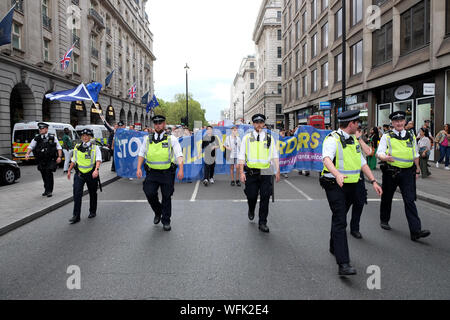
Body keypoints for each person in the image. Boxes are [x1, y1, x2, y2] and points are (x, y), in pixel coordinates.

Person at [320, 110, 382, 276]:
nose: (359, 126)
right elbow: (326, 159)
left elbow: (362, 163)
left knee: (339, 217)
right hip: (335, 184)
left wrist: (374, 181)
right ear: (351, 124)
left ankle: (334, 244)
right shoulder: (332, 139)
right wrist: (337, 174)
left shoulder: (354, 140)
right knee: (340, 220)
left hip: (352, 185)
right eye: (357, 123)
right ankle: (344, 263)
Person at [377, 111, 431, 241]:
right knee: (387, 197)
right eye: (396, 121)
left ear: (404, 122)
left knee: (410, 200)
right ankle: (384, 219)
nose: (399, 123)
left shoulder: (411, 136)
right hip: (391, 171)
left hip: (407, 173)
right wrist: (385, 157)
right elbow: (379, 152)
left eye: (401, 121)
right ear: (392, 123)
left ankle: (415, 231)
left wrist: (417, 169)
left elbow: (415, 154)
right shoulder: (387, 136)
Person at [136, 115, 184, 232]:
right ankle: (158, 211)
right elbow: (142, 153)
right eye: (156, 123)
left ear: (164, 124)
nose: (158, 125)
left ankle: (166, 221)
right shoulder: (147, 139)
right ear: (154, 125)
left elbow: (179, 154)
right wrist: (139, 168)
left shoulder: (171, 138)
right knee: (149, 193)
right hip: (152, 173)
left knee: (167, 196)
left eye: (160, 123)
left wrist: (181, 169)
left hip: (167, 173)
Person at [239, 114, 281, 233]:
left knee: (265, 197)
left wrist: (277, 170)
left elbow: (274, 155)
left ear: (264, 124)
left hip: (266, 172)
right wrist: (241, 172)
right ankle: (251, 209)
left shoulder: (269, 138)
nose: (258, 124)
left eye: (261, 122)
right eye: (256, 122)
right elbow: (241, 156)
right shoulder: (247, 138)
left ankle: (262, 222)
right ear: (253, 124)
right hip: (252, 172)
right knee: (251, 196)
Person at [67, 129, 102, 224]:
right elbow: (74, 160)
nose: (85, 137)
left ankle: (92, 211)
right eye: (83, 136)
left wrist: (96, 170)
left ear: (90, 137)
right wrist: (69, 170)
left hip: (91, 173)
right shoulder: (77, 147)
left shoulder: (95, 147)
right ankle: (76, 216)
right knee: (77, 194)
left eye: (87, 135)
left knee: (92, 193)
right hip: (79, 174)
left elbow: (98, 159)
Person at [25, 122, 63, 197]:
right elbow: (31, 146)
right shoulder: (37, 138)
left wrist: (59, 156)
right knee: (44, 175)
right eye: (40, 129)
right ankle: (46, 189)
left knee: (49, 174)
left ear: (46, 129)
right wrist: (27, 153)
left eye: (42, 128)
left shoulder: (52, 137)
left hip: (50, 159)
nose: (40, 130)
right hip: (41, 160)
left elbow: (59, 148)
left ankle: (49, 191)